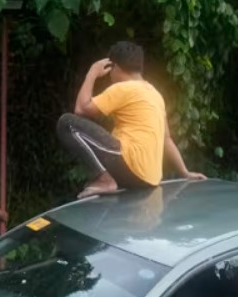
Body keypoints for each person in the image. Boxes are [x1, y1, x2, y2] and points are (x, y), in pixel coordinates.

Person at [57, 41, 206, 199]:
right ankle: (106, 179)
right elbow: (166, 139)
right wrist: (184, 172)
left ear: (114, 66)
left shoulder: (123, 88)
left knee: (67, 123)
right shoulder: (155, 94)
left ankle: (105, 180)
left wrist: (92, 72)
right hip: (149, 179)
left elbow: (81, 109)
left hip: (130, 166)